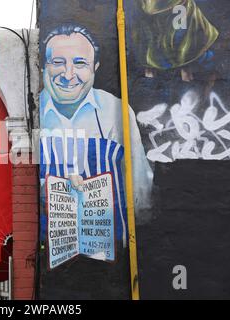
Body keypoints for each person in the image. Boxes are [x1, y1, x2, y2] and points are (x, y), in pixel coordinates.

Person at [40, 24, 153, 255]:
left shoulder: (115, 110)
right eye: (58, 62)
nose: (68, 74)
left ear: (95, 68)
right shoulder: (32, 110)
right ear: (44, 67)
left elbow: (140, 189)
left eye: (80, 63)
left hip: (109, 253)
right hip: (47, 254)